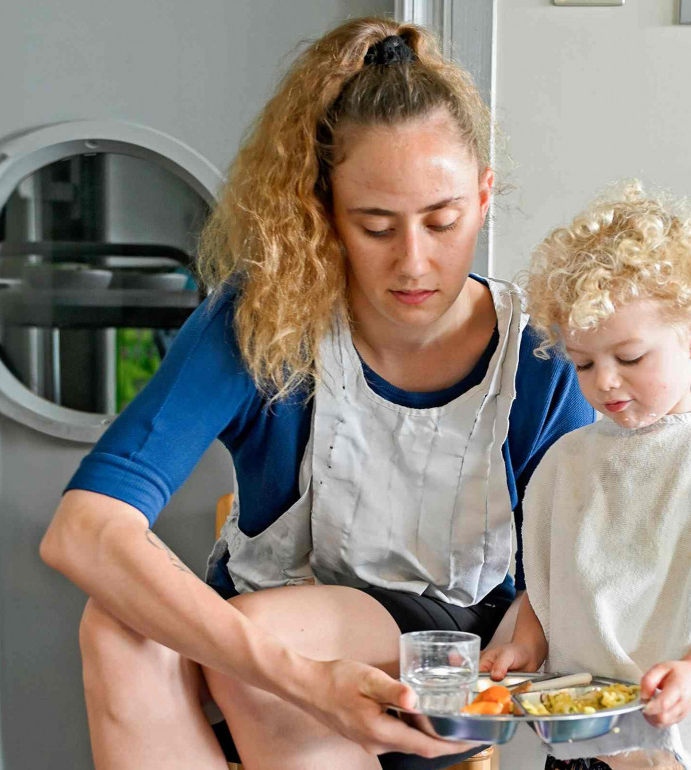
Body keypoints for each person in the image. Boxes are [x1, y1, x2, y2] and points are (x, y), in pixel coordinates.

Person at [38, 17, 594, 770]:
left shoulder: (545, 355)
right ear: (325, 209)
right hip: (270, 650)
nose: (414, 261)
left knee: (265, 633)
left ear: (485, 195)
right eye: (374, 225)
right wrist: (309, 684)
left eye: (443, 220)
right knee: (117, 628)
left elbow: (584, 553)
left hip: (440, 662)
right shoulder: (262, 320)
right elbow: (82, 529)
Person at [480, 184, 691, 770]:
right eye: (583, 363)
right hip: (585, 733)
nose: (605, 383)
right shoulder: (565, 465)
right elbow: (550, 590)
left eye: (629, 358)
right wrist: (523, 643)